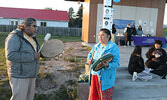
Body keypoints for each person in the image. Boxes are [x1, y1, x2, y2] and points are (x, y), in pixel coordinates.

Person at [5, 18, 40, 100]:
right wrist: (32, 56)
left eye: (36, 26)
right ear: (26, 26)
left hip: (31, 75)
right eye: (34, 26)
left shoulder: (32, 38)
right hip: (19, 76)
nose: (36, 29)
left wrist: (41, 54)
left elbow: (34, 53)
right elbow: (11, 55)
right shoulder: (14, 37)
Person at [87, 28, 120, 100]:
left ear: (108, 36)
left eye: (102, 35)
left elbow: (117, 63)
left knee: (104, 96)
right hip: (94, 75)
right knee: (94, 95)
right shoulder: (96, 46)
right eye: (99, 35)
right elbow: (90, 56)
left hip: (105, 77)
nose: (100, 37)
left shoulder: (113, 47)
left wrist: (108, 65)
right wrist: (89, 60)